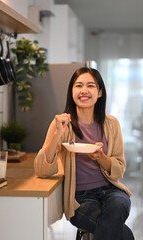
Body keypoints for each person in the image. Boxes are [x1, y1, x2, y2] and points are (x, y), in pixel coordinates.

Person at [34, 67, 134, 240]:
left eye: (91, 86)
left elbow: (119, 170)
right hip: (79, 198)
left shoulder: (111, 124)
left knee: (120, 203)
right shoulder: (61, 123)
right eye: (78, 85)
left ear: (100, 92)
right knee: (124, 235)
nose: (84, 90)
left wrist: (100, 157)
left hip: (110, 190)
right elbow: (42, 170)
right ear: (72, 91)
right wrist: (58, 133)